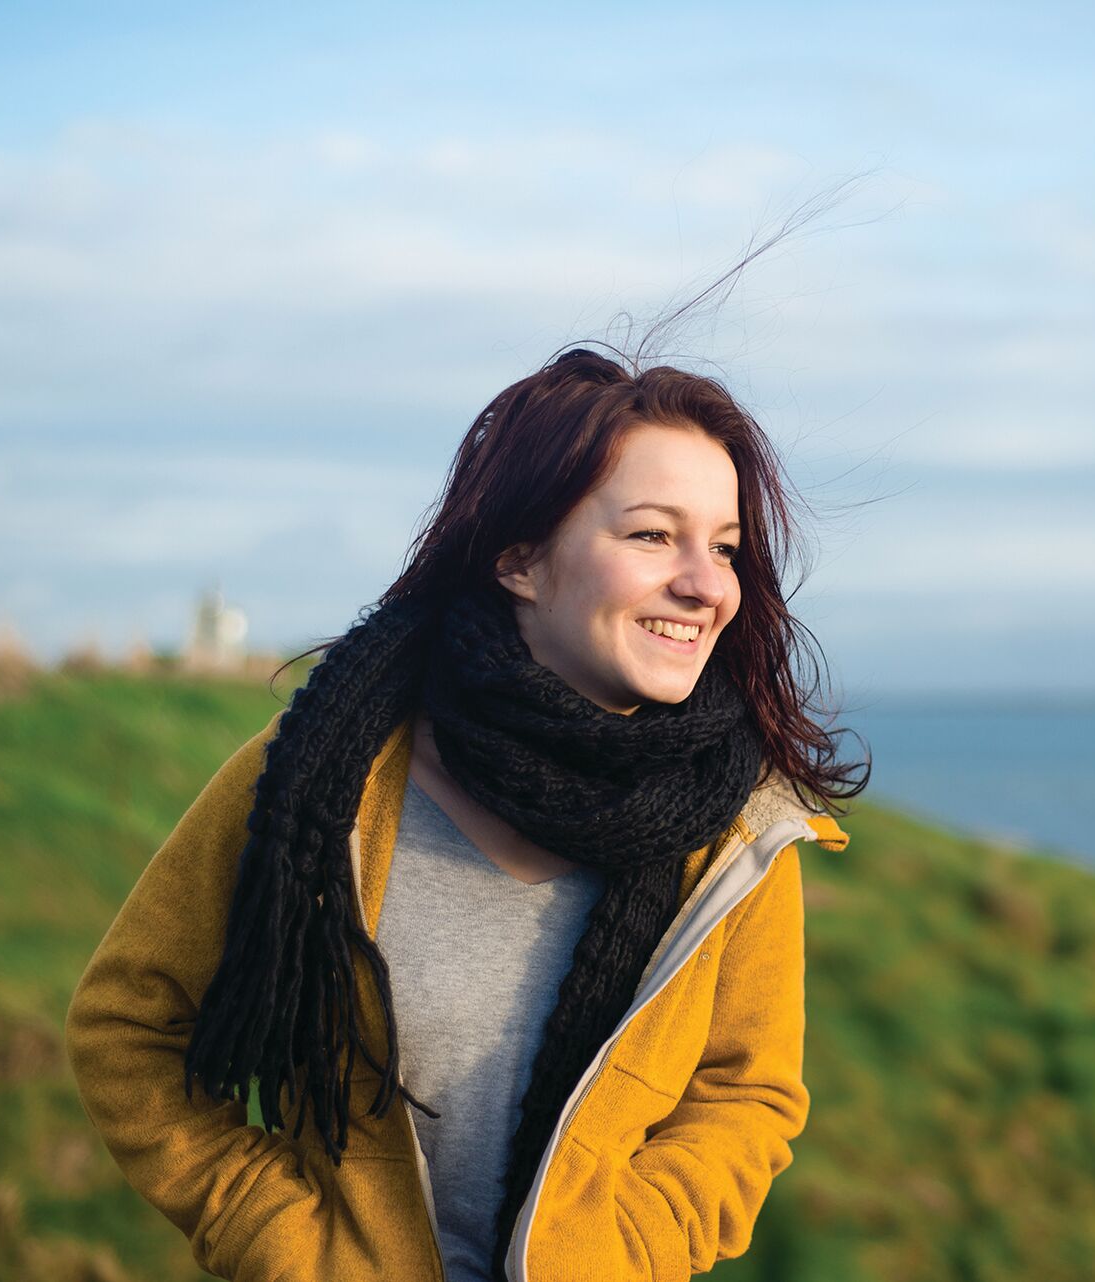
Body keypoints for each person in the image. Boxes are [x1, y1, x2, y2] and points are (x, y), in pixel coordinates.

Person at [63, 344, 867, 1282]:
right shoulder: (319, 778)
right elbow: (127, 1025)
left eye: (725, 547)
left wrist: (626, 1253)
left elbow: (746, 1093)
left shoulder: (737, 832)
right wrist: (277, 1240)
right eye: (653, 536)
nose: (706, 584)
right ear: (519, 559)